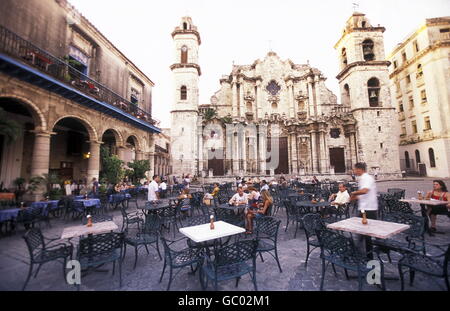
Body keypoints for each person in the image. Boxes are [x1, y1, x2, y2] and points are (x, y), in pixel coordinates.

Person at [350, 162, 378, 254]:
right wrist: (355, 198)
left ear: (359, 169)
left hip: (369, 209)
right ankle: (360, 251)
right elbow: (364, 194)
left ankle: (366, 254)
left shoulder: (366, 178)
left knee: (366, 233)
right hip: (365, 208)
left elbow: (365, 191)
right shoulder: (363, 178)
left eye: (354, 169)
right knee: (363, 232)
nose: (354, 171)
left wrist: (354, 193)